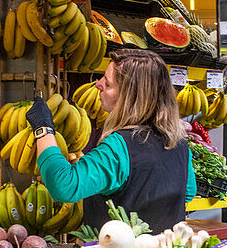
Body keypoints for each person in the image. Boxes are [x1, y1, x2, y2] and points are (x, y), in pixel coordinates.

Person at [25, 49, 197, 233]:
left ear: (129, 98)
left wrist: (43, 128)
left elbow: (64, 185)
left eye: (107, 83)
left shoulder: (119, 147)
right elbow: (187, 192)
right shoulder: (180, 145)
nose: (98, 85)